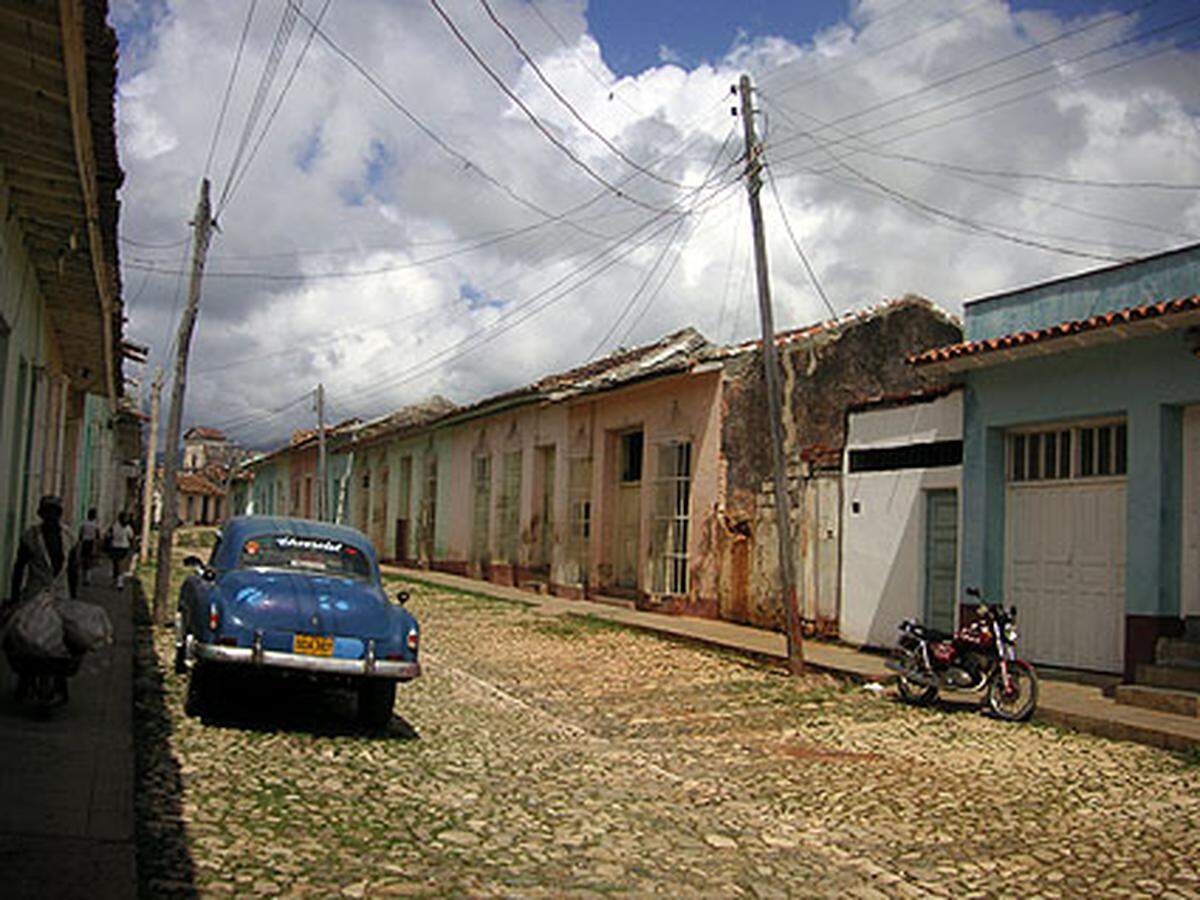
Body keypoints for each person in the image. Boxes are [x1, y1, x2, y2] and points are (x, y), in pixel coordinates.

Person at [8, 495, 80, 704]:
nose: (51, 516)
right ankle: (25, 679)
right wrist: (15, 597)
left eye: (55, 512)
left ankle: (60, 682)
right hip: (34, 594)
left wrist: (73, 599)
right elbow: (19, 567)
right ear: (41, 514)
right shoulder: (30, 536)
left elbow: (73, 570)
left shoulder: (69, 537)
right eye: (47, 512)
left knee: (62, 640)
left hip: (60, 595)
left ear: (59, 515)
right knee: (27, 639)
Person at [107, 511, 135, 589]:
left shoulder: (115, 526)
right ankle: (119, 581)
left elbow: (109, 535)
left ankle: (118, 581)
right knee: (119, 565)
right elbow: (131, 538)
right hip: (122, 547)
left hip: (116, 547)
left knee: (117, 564)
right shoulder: (127, 528)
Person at [79, 508, 99, 585]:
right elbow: (97, 536)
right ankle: (87, 578)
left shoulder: (84, 523)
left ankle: (84, 577)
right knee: (90, 561)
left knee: (84, 559)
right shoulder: (95, 525)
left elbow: (80, 534)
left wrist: (80, 542)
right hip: (91, 543)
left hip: (85, 542)